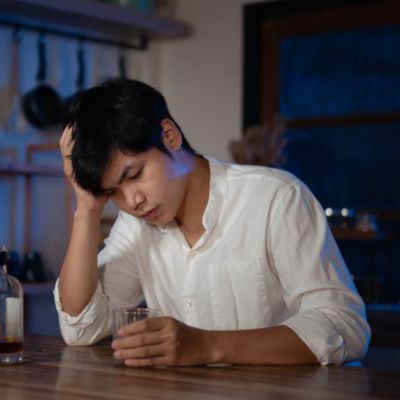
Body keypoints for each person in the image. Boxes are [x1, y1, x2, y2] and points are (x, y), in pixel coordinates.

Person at [53, 78, 370, 367]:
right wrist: (87, 208)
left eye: (134, 175)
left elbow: (344, 326)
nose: (131, 202)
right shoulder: (135, 224)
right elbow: (82, 328)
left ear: (170, 136)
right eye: (113, 192)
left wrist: (205, 345)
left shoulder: (276, 198)